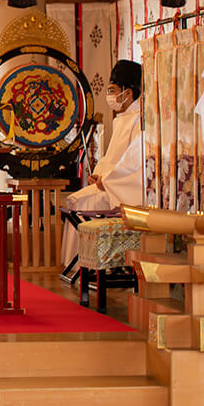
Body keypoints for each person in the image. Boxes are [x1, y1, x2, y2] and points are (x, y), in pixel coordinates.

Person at [59, 59, 144, 269]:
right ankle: (76, 265)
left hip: (124, 190)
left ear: (128, 93)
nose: (110, 96)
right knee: (75, 200)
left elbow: (133, 162)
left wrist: (106, 180)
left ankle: (87, 267)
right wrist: (98, 175)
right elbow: (111, 158)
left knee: (85, 204)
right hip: (109, 183)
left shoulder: (139, 120)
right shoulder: (121, 119)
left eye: (113, 90)